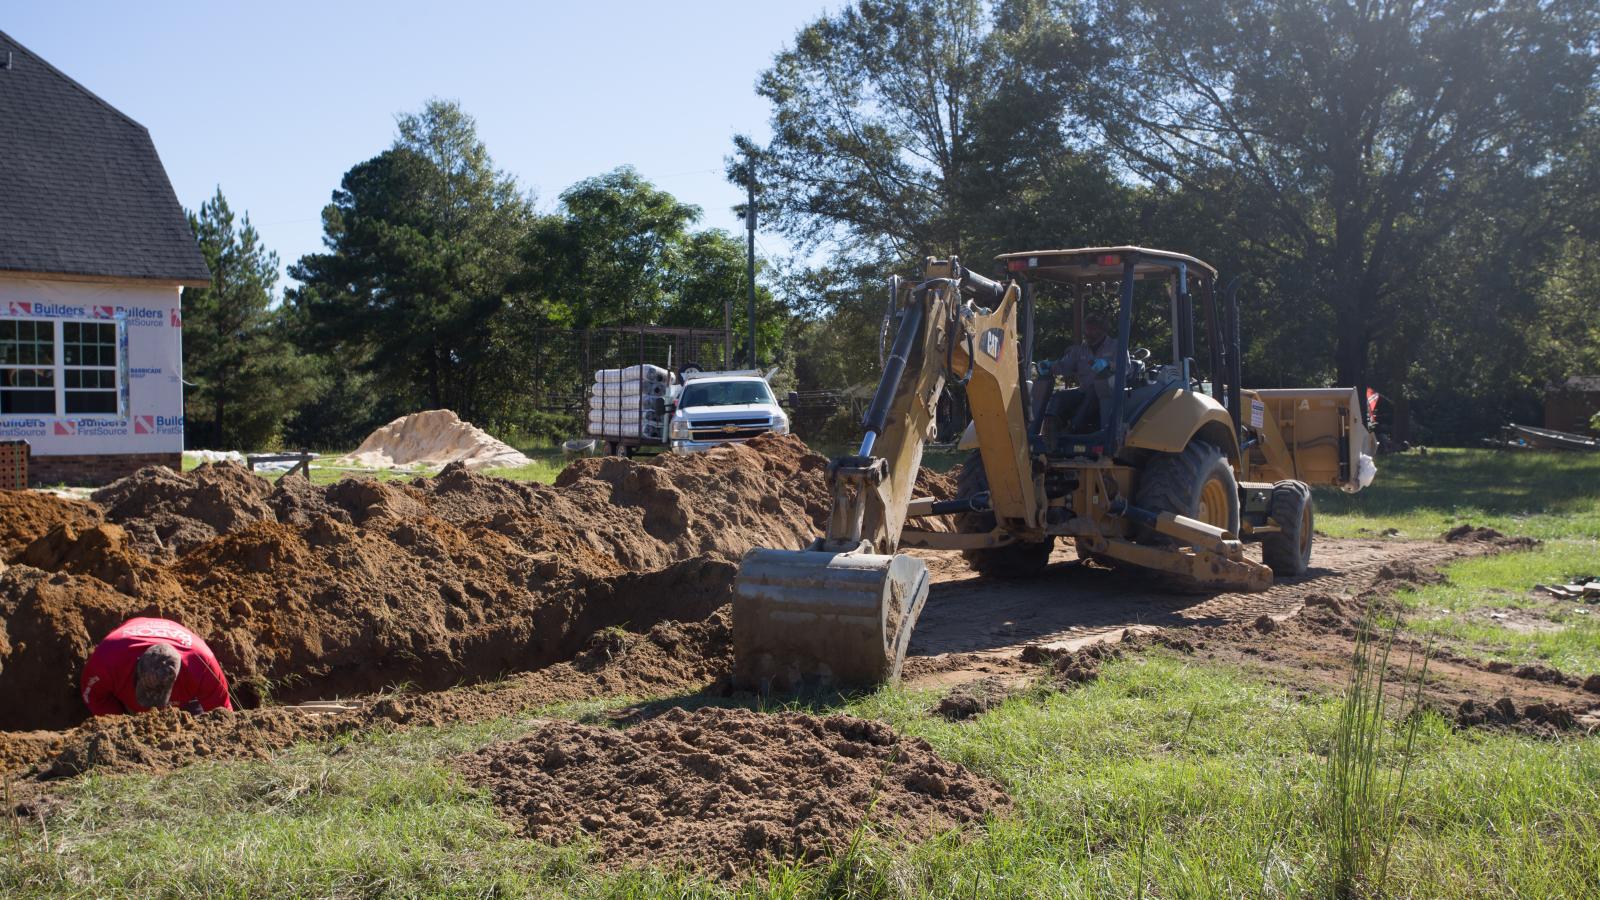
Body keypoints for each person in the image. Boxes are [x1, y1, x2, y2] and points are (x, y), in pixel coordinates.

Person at [80, 617, 232, 716]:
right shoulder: (107, 659)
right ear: (136, 667)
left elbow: (223, 714)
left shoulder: (202, 665)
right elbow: (94, 697)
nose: (153, 711)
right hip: (125, 698)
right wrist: (117, 722)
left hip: (186, 700)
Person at [1034, 314, 1126, 446]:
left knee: (1093, 391)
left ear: (1102, 330)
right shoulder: (1079, 350)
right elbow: (1064, 366)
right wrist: (1049, 366)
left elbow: (1127, 368)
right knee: (1059, 396)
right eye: (1087, 329)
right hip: (1083, 391)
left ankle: (1073, 429)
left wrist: (1108, 364)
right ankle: (1050, 426)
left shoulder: (1117, 346)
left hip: (1110, 394)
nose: (1088, 333)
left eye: (1092, 329)